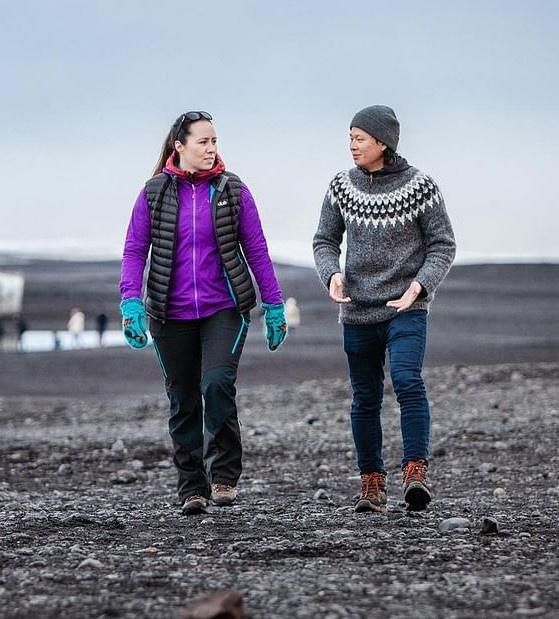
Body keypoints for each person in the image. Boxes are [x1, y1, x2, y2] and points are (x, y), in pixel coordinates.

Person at [119, 111, 287, 516]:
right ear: (180, 146)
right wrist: (130, 303)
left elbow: (257, 249)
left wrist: (274, 304)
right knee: (182, 399)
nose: (212, 149)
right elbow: (134, 250)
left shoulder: (233, 190)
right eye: (203, 142)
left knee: (216, 384)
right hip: (168, 312)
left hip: (224, 309)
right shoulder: (154, 193)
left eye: (215, 142)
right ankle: (192, 487)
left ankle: (225, 476)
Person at [313, 105, 456, 514]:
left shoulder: (420, 186)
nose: (352, 145)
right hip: (357, 310)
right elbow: (324, 239)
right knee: (365, 398)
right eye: (350, 137)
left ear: (383, 142)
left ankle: (415, 473)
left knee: (408, 380)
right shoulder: (341, 185)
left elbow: (443, 244)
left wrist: (420, 286)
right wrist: (331, 275)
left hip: (405, 308)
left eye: (360, 138)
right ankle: (372, 483)